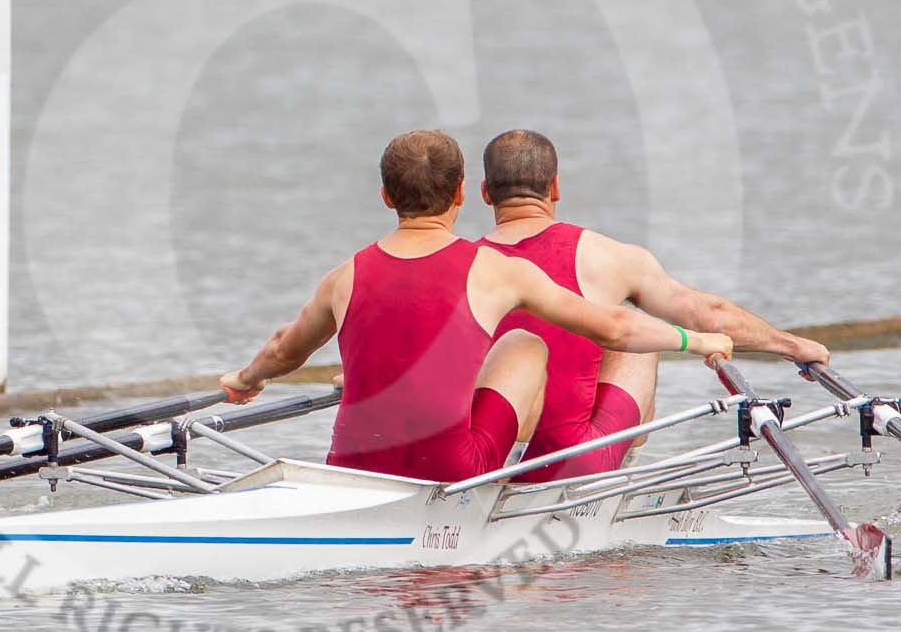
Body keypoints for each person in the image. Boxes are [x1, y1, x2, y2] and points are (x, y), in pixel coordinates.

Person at [219, 129, 733, 483]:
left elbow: (285, 350)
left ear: (384, 196)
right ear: (464, 193)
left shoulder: (344, 276)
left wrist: (247, 380)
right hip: (454, 471)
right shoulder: (493, 268)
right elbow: (615, 330)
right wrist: (697, 339)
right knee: (524, 343)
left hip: (353, 466)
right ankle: (532, 481)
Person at [477, 129, 830, 483]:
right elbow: (707, 315)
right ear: (555, 187)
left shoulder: (466, 261)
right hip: (572, 463)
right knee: (637, 338)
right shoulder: (608, 257)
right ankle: (614, 486)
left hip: (487, 459)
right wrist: (792, 346)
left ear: (485, 193)